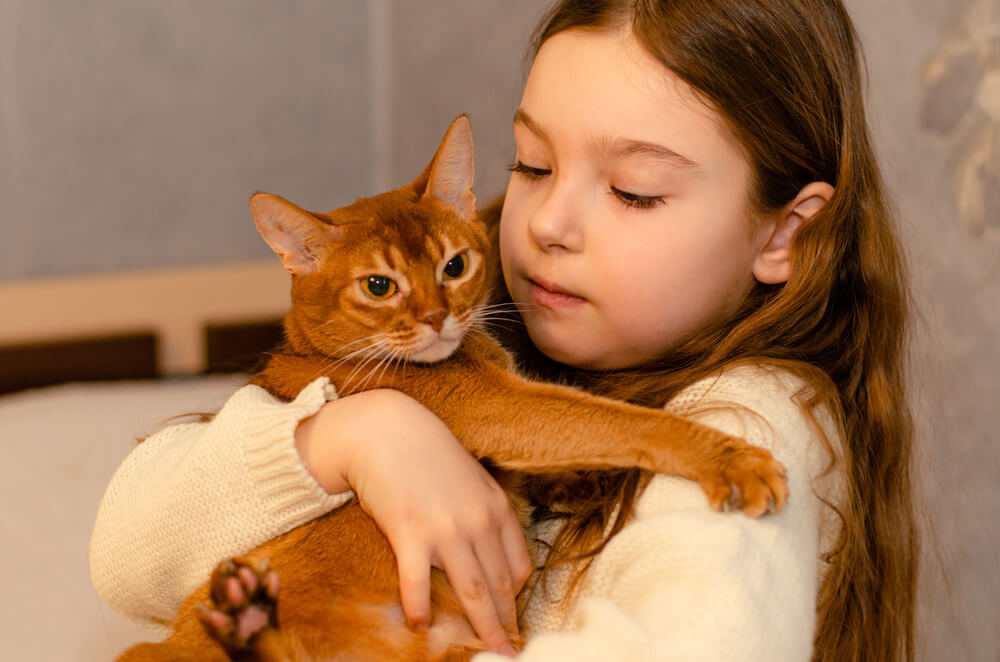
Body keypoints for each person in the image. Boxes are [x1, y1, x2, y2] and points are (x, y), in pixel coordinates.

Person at [90, 1, 917, 660]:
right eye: (532, 165)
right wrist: (349, 433)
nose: (551, 222)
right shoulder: (473, 345)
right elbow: (123, 556)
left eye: (632, 191)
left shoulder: (750, 424)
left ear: (782, 234)